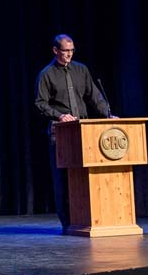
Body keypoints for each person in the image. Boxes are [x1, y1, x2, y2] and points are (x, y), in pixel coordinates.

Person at [34, 34, 112, 230]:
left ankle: (86, 219)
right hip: (60, 133)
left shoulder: (81, 70)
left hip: (83, 131)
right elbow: (40, 103)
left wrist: (108, 115)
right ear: (55, 50)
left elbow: (94, 95)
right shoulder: (47, 74)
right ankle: (67, 223)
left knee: (84, 176)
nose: (69, 54)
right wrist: (59, 115)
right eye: (65, 51)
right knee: (63, 180)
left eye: (71, 51)